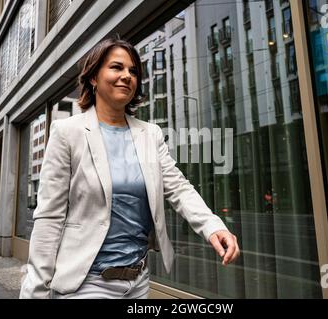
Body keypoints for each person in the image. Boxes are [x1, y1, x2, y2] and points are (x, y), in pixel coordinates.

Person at [19, 38, 240, 299]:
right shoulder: (68, 133)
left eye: (133, 71)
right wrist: (36, 290)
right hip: (87, 283)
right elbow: (49, 217)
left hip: (138, 281)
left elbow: (178, 188)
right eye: (116, 67)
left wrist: (213, 226)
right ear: (93, 77)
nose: (126, 76)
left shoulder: (150, 134)